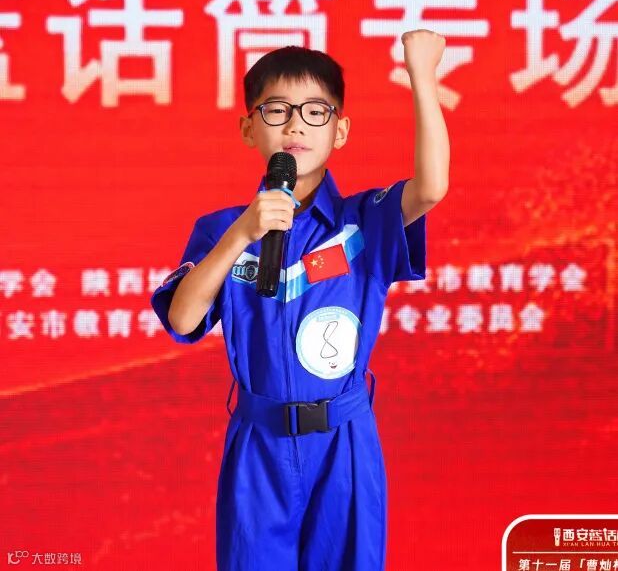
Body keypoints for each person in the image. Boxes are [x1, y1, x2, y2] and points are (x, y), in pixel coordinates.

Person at [151, 35, 449, 570]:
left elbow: (430, 189)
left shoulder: (363, 222)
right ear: (248, 128)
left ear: (340, 130)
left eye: (315, 111)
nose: (295, 126)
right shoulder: (222, 230)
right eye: (276, 110)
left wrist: (422, 78)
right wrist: (242, 234)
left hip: (343, 441)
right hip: (258, 443)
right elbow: (183, 317)